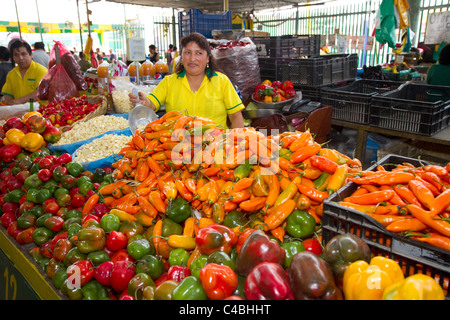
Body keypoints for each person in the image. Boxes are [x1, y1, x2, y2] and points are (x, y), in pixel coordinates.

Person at [130, 33, 244, 129]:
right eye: (187, 52)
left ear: (208, 58)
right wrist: (144, 102)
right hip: (177, 148)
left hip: (215, 148)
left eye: (199, 53)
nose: (192, 58)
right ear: (182, 57)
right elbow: (152, 104)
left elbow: (236, 117)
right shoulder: (169, 82)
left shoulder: (221, 81)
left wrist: (237, 145)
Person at [1, 40, 48, 105]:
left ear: (31, 55)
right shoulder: (11, 74)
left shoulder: (41, 70)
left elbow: (41, 92)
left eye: (23, 54)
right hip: (19, 112)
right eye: (16, 55)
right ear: (13, 58)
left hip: (40, 112)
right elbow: (7, 94)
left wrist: (18, 101)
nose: (20, 58)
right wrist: (10, 103)